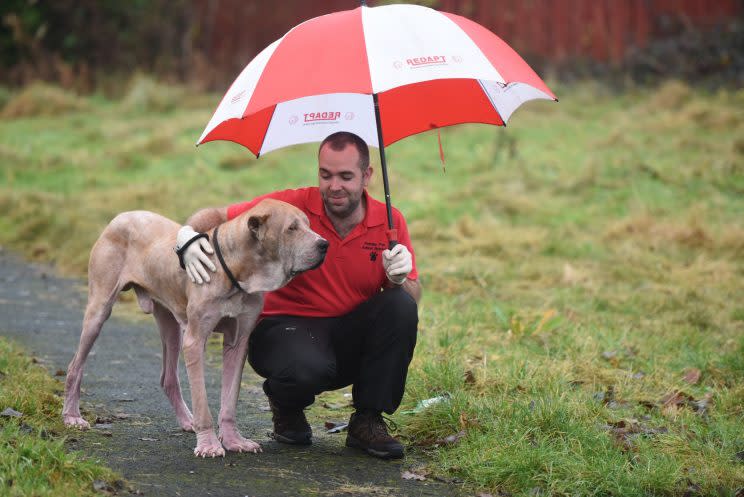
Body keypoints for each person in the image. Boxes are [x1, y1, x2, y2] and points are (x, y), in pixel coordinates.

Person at [175, 132, 421, 459]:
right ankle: (286, 405)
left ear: (367, 176)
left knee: (400, 306)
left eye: (346, 176)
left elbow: (413, 296)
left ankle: (368, 421)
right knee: (306, 367)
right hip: (285, 329)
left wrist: (398, 277)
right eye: (326, 174)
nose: (334, 185)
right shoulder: (289, 208)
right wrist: (187, 236)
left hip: (347, 332)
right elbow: (218, 215)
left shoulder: (390, 220)